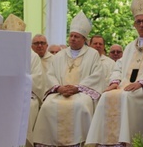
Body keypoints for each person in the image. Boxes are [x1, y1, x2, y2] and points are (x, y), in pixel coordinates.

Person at [86, 0, 143, 147]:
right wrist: (115, 82)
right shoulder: (129, 46)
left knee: (127, 97)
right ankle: (105, 143)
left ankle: (128, 142)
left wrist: (141, 83)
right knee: (106, 96)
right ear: (134, 24)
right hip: (125, 86)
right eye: (138, 21)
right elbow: (118, 67)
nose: (141, 25)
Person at [32, 11, 108, 147]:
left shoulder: (92, 55)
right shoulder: (60, 55)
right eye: (71, 36)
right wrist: (59, 87)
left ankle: (81, 143)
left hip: (81, 93)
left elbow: (96, 76)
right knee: (48, 106)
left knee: (81, 106)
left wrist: (77, 87)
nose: (72, 38)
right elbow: (50, 75)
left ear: (84, 39)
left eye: (76, 36)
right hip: (59, 92)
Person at [4, 14, 45, 147]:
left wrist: (19, 83)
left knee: (26, 109)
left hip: (25, 95)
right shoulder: (1, 53)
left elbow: (38, 79)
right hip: (3, 95)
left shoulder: (32, 56)